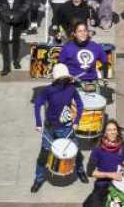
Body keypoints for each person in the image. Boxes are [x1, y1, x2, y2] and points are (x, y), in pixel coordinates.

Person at [31, 63, 87, 192]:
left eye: (64, 78)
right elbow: (37, 104)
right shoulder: (48, 90)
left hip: (66, 127)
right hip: (50, 127)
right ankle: (38, 179)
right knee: (43, 155)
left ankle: (80, 171)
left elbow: (80, 104)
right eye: (61, 78)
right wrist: (38, 123)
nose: (63, 80)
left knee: (75, 150)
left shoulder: (71, 88)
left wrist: (77, 121)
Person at [58, 21, 109, 88]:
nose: (83, 33)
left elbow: (105, 62)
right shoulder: (67, 47)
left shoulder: (95, 46)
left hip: (92, 83)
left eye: (85, 31)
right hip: (73, 83)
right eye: (79, 31)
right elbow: (59, 65)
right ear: (74, 34)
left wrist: (105, 77)